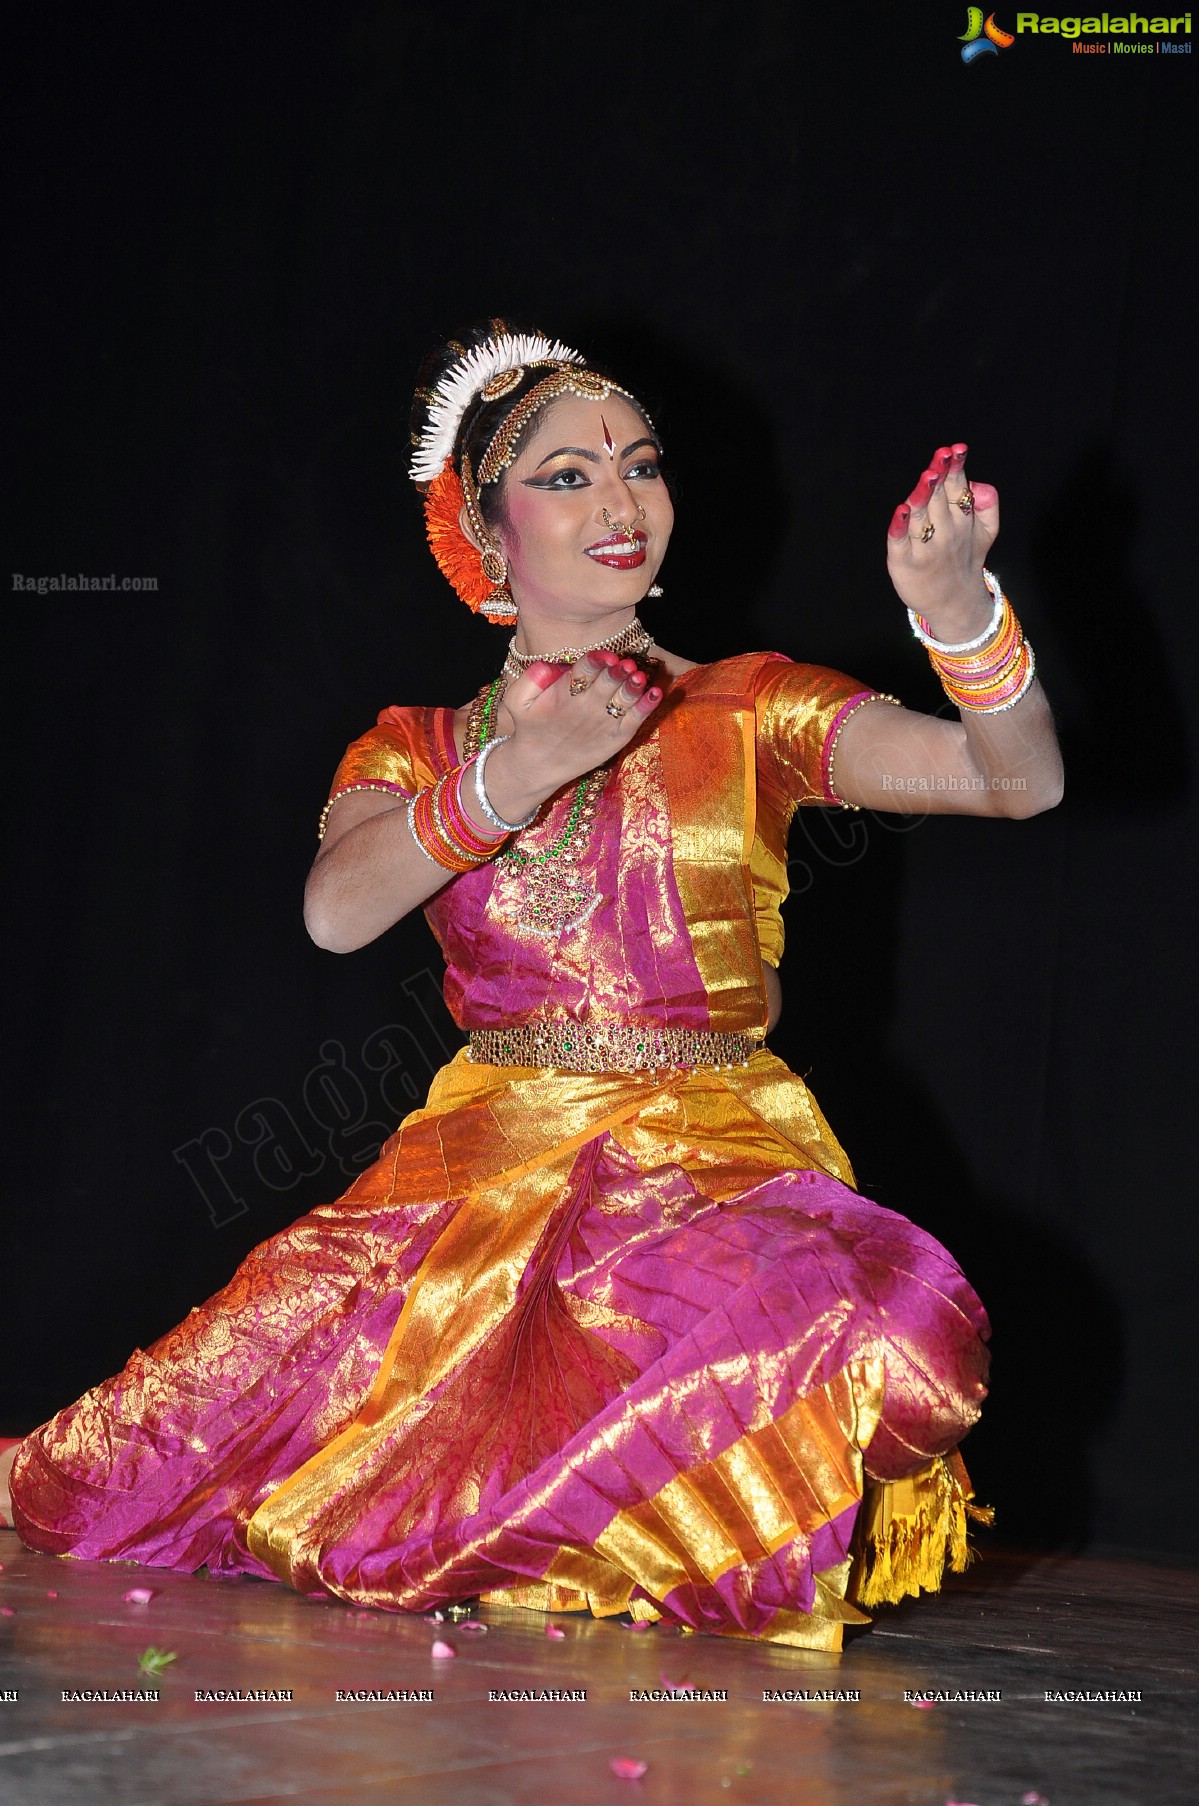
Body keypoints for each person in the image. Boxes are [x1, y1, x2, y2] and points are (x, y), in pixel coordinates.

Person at [3, 324, 1063, 1649]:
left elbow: (1015, 779)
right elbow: (337, 912)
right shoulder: (419, 744)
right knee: (131, 1456)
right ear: (488, 533)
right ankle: (518, 1519)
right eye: (568, 475)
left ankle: (583, 1528)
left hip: (712, 1177)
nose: (621, 502)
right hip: (477, 1186)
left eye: (639, 464)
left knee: (899, 1336)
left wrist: (959, 612)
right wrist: (521, 768)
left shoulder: (752, 707)